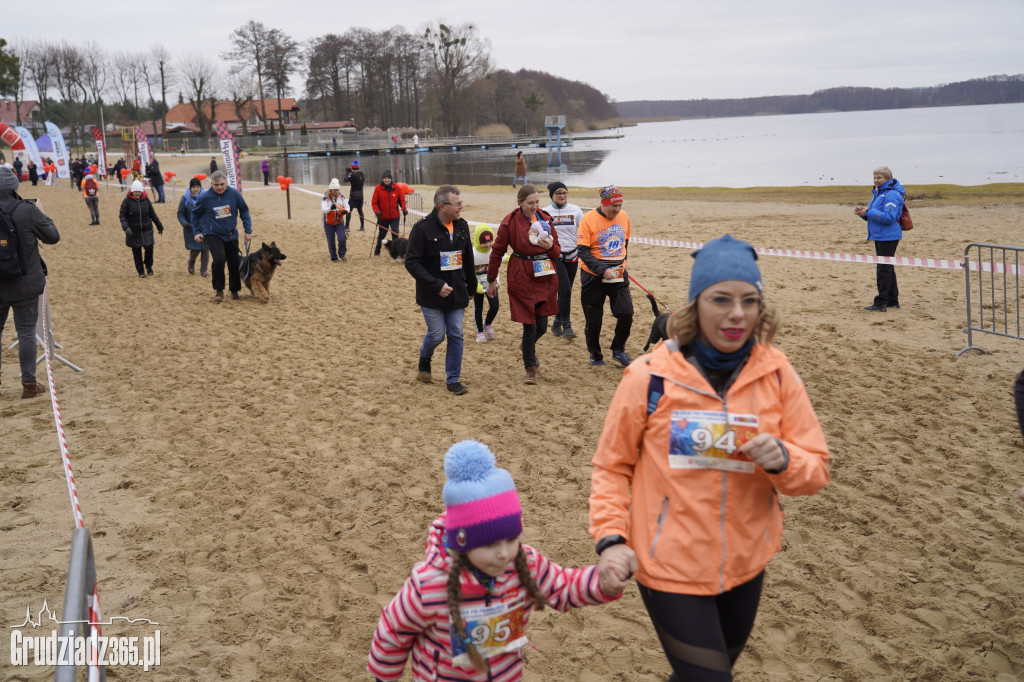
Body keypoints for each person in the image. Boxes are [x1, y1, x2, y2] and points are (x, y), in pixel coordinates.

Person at [589, 234, 830, 681]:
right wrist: (610, 539)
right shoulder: (649, 377)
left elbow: (814, 471)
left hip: (745, 561)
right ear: (695, 305)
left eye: (749, 301)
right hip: (668, 563)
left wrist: (783, 459)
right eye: (721, 299)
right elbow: (612, 465)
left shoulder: (777, 375)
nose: (736, 314)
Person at [368, 439, 624, 681]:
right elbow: (393, 630)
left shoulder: (524, 565)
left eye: (511, 539)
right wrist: (385, 676)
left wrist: (602, 583)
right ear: (462, 542)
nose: (503, 553)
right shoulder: (430, 585)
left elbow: (564, 586)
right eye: (490, 544)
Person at [404, 184, 475, 395]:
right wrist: (436, 285)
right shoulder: (422, 228)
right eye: (457, 204)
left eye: (461, 203)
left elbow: (468, 260)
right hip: (431, 295)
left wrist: (472, 287)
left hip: (457, 292)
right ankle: (425, 357)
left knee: (456, 334)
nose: (461, 207)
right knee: (437, 335)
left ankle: (453, 379)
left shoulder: (462, 226)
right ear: (442, 206)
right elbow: (412, 262)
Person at [486, 185, 560, 385]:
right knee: (530, 324)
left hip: (544, 275)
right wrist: (491, 280)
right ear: (520, 202)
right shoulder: (509, 222)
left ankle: (526, 347)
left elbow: (557, 251)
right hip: (521, 275)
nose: (534, 206)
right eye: (530, 203)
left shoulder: (545, 218)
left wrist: (551, 247)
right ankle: (530, 369)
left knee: (542, 326)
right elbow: (497, 252)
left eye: (537, 202)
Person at [0, 167, 60, 399]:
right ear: (15, 187)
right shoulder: (27, 210)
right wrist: (41, 213)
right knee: (26, 332)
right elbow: (53, 236)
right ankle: (29, 384)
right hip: (25, 283)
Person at [578, 185, 634, 368]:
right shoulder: (588, 220)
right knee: (594, 319)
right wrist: (602, 269)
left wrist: (621, 264)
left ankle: (618, 350)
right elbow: (583, 252)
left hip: (618, 273)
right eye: (613, 206)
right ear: (604, 203)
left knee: (626, 312)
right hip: (593, 275)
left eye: (619, 205)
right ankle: (595, 354)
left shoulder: (624, 217)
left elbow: (624, 243)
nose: (617, 210)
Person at [191, 170, 253, 302]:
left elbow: (244, 211)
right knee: (219, 260)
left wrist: (248, 230)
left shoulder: (234, 194)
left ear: (226, 183)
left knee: (234, 262)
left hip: (231, 234)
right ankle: (219, 291)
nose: (219, 187)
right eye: (216, 185)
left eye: (222, 184)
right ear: (211, 184)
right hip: (213, 234)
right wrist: (197, 231)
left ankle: (234, 290)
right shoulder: (205, 197)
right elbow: (195, 214)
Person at [854, 165, 904, 312]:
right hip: (880, 235)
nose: (876, 180)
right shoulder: (878, 194)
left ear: (888, 178)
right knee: (887, 267)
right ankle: (892, 300)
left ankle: (881, 302)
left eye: (879, 178)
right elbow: (875, 216)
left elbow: (889, 218)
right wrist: (863, 213)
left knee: (883, 268)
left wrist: (869, 211)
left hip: (888, 236)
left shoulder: (892, 194)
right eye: (875, 177)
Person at [545, 181, 585, 339]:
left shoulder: (576, 210)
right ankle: (566, 325)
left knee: (564, 292)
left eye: (564, 193)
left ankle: (556, 323)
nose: (562, 196)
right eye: (558, 193)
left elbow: (584, 231)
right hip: (556, 256)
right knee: (565, 290)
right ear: (552, 196)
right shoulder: (544, 212)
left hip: (573, 255)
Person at [119, 179, 164, 278]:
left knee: (149, 247)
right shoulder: (126, 201)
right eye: (136, 191)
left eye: (139, 191)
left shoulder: (146, 200)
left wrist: (159, 225)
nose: (137, 193)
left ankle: (148, 266)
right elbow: (122, 216)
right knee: (136, 251)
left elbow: (152, 213)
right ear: (132, 191)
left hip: (147, 228)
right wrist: (126, 228)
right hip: (133, 231)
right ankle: (141, 271)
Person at [471, 225, 501, 343]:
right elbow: (466, 269)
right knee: (479, 308)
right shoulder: (473, 253)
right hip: (477, 285)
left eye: (490, 241)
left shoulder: (493, 251)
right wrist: (474, 284)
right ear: (478, 241)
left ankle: (487, 324)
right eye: (484, 242)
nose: (488, 244)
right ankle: (480, 332)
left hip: (491, 283)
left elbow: (503, 258)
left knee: (495, 306)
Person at [177, 177, 210, 276]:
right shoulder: (185, 198)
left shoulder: (205, 197)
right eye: (194, 187)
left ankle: (203, 270)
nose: (196, 189)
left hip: (205, 227)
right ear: (190, 188)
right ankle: (191, 262)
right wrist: (185, 224)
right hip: (191, 228)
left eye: (197, 187)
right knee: (195, 249)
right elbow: (180, 213)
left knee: (205, 248)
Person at [371, 170, 407, 256]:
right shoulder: (378, 188)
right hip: (383, 217)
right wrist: (377, 211)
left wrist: (404, 208)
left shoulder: (396, 187)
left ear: (391, 179)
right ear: (383, 179)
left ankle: (397, 252)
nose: (387, 180)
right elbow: (374, 202)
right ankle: (377, 249)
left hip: (395, 216)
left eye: (388, 178)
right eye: (385, 178)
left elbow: (402, 199)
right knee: (382, 234)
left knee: (395, 234)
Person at [321, 178, 349, 262]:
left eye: (337, 190)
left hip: (339, 222)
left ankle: (342, 254)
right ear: (331, 189)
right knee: (331, 241)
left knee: (342, 238)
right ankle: (334, 257)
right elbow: (324, 210)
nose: (336, 192)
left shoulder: (341, 197)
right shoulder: (326, 198)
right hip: (328, 224)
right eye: (334, 190)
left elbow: (347, 206)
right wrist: (331, 208)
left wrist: (345, 211)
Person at [344, 160, 366, 232]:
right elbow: (357, 176)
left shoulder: (352, 175)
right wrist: (351, 171)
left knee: (349, 211)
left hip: (353, 196)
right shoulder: (362, 174)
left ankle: (347, 227)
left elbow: (345, 179)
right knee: (360, 211)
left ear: (352, 168)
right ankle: (362, 227)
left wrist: (347, 172)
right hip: (360, 196)